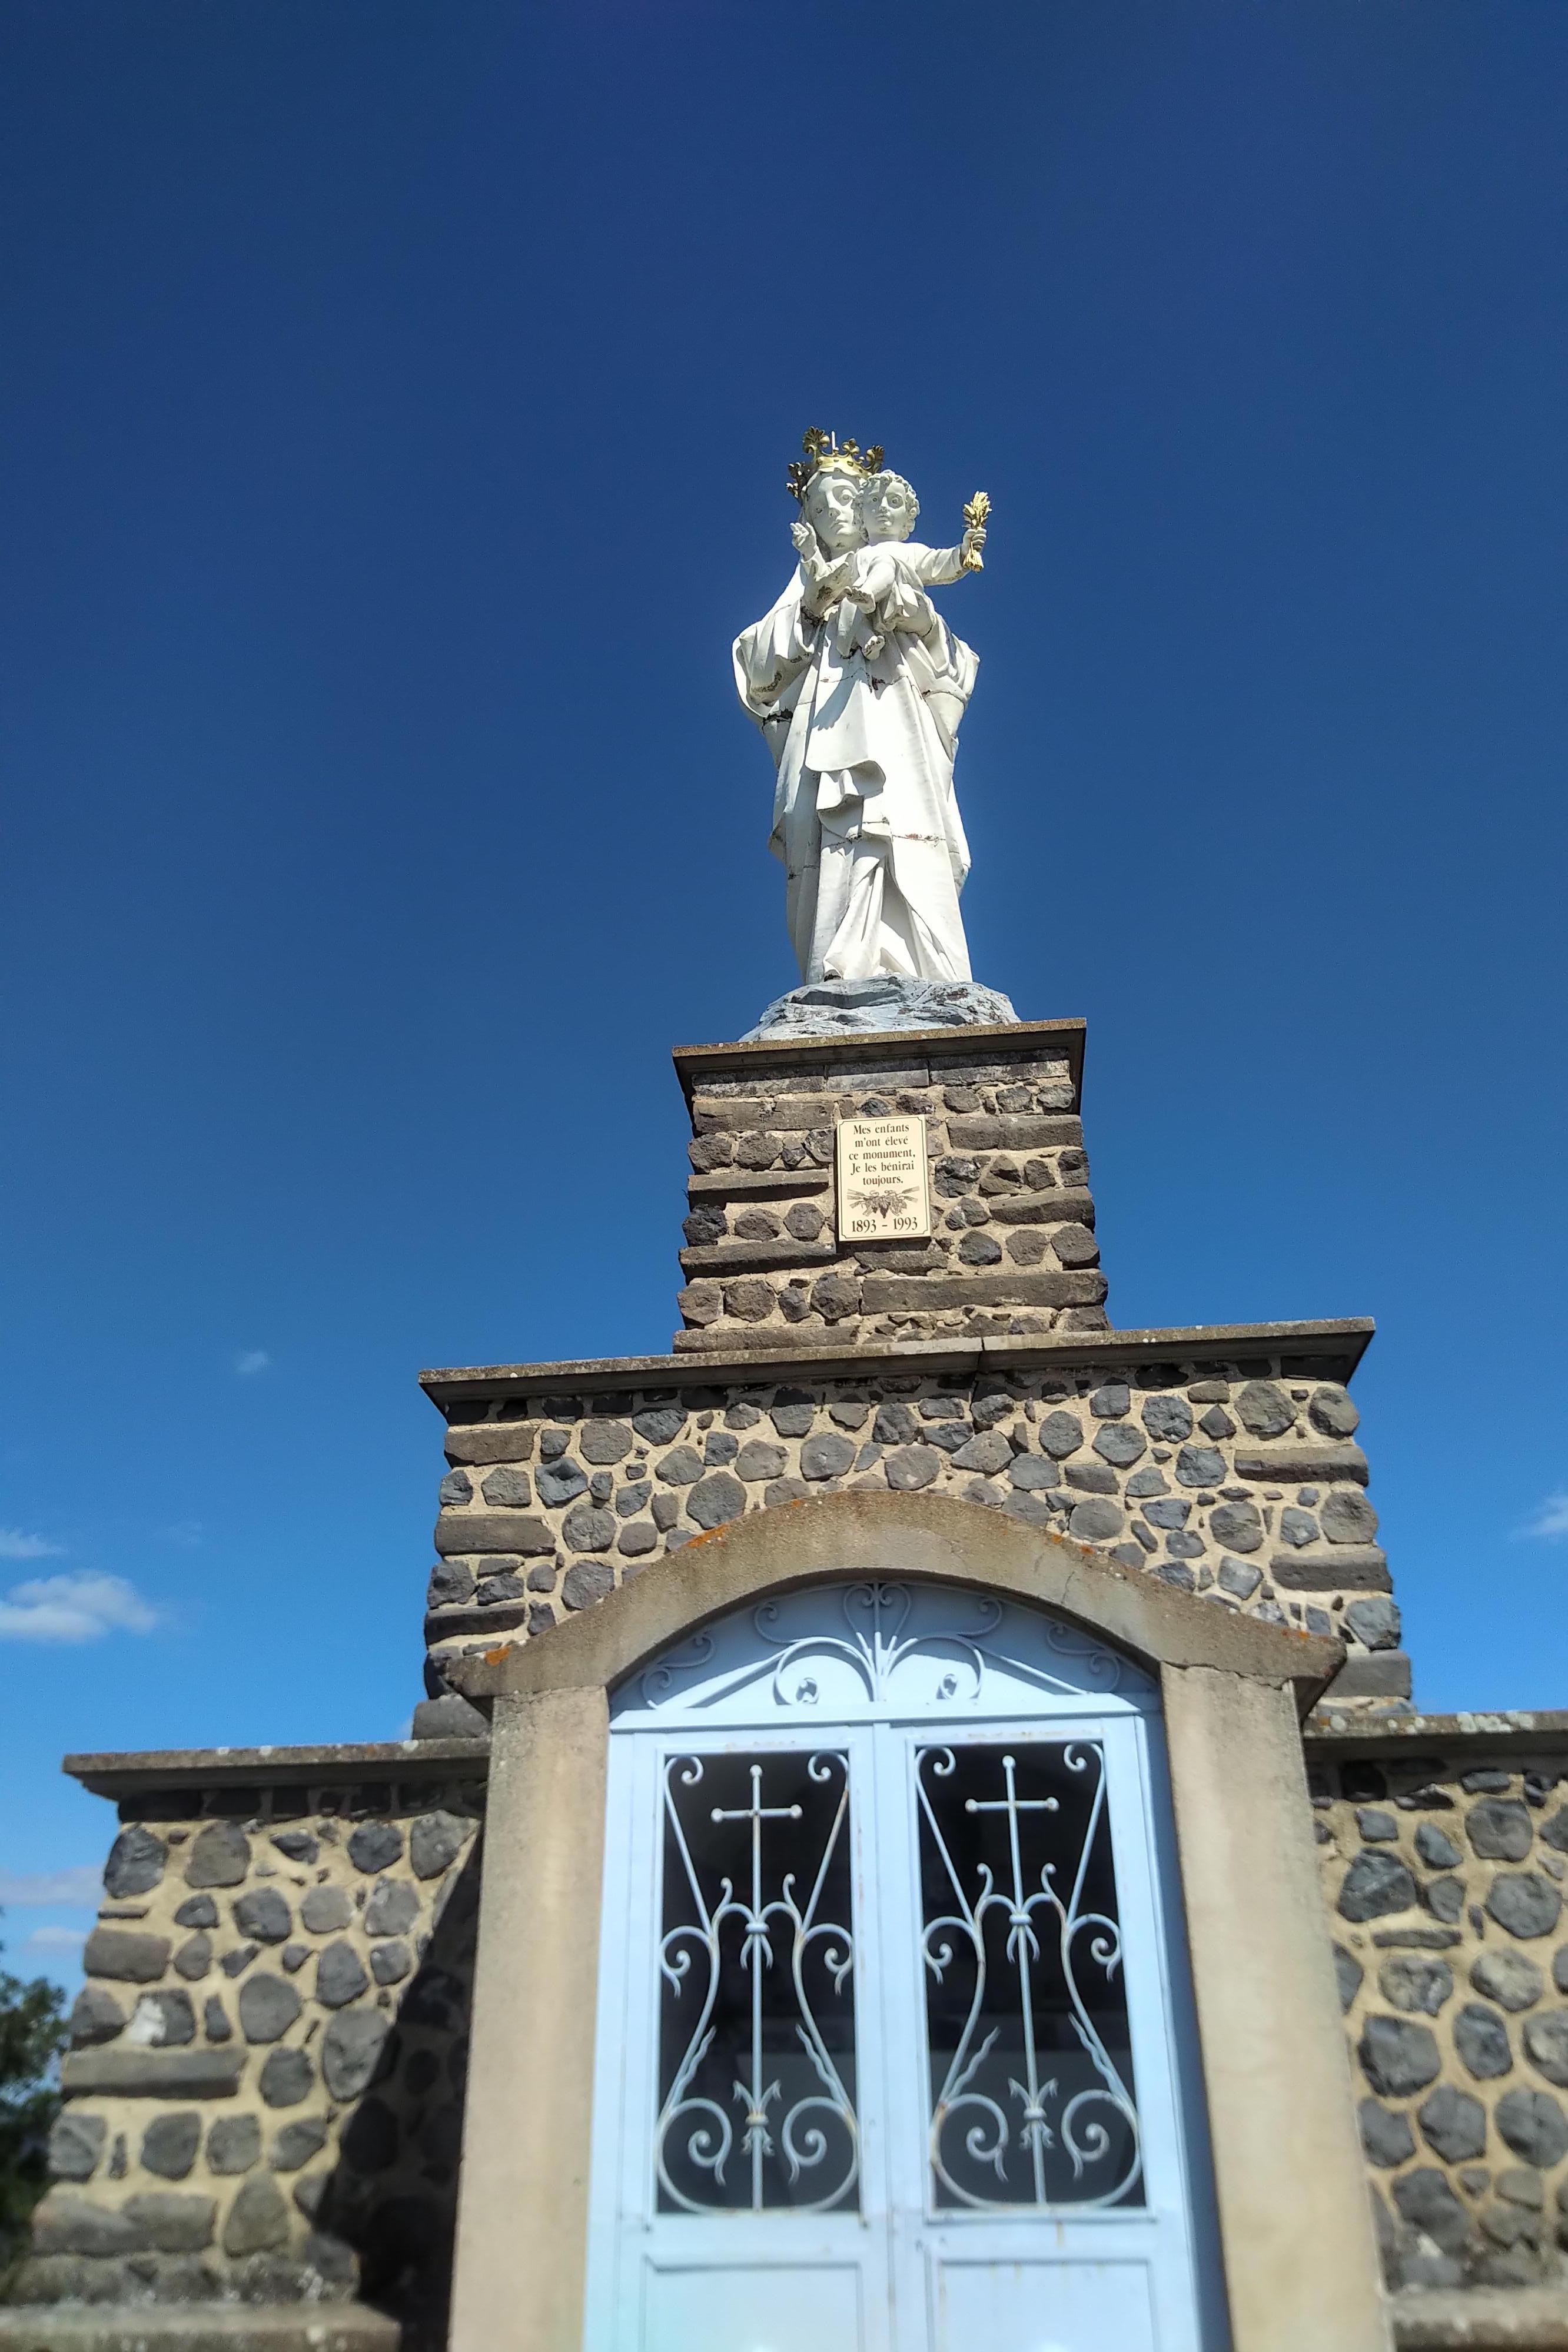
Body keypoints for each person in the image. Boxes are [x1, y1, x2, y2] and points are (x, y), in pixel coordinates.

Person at [733, 438, 982, 985]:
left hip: (892, 713)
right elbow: (755, 666)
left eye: (843, 499)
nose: (834, 515)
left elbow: (954, 665)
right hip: (826, 724)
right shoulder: (804, 589)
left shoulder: (893, 563)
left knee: (900, 819)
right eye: (819, 508)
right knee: (827, 827)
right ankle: (839, 966)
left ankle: (924, 971)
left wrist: (912, 615)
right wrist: (810, 606)